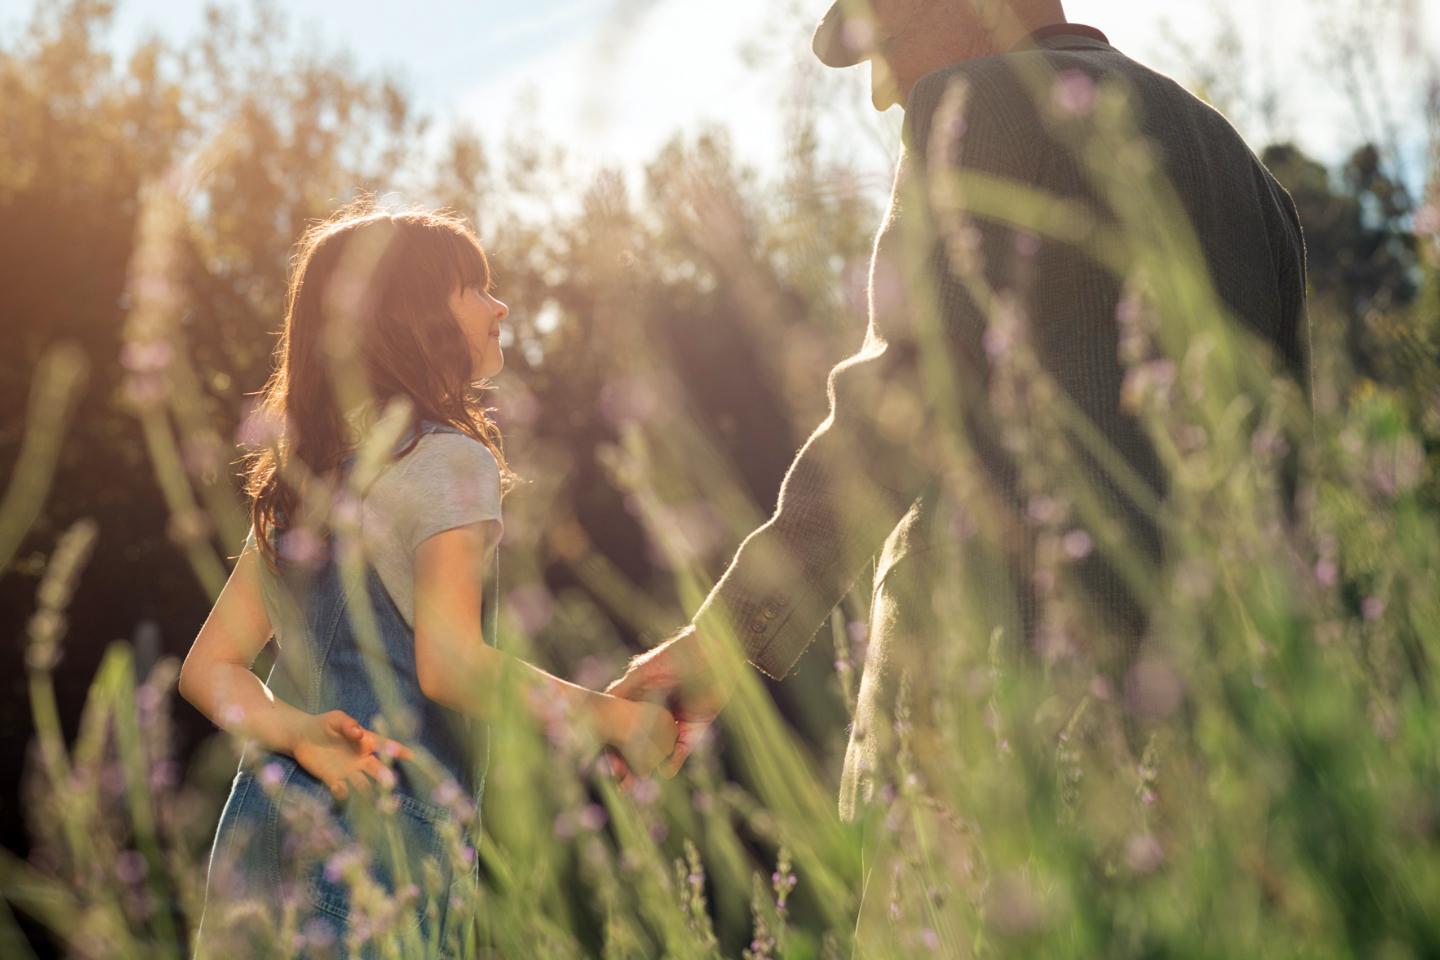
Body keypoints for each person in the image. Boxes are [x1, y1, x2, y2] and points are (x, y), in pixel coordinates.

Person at [606, 0, 1309, 820]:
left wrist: (728, 638)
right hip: (1229, 732)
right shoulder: (1244, 168)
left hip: (1008, 722)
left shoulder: (981, 103)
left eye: (883, 43)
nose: (878, 93)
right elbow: (1287, 451)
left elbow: (905, 396)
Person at [179, 206, 678, 956]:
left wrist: (299, 734)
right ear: (410, 315)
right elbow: (450, 665)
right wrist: (617, 722)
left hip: (261, 828)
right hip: (378, 841)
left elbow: (207, 668)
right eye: (474, 288)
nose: (499, 306)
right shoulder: (450, 460)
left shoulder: (307, 481)